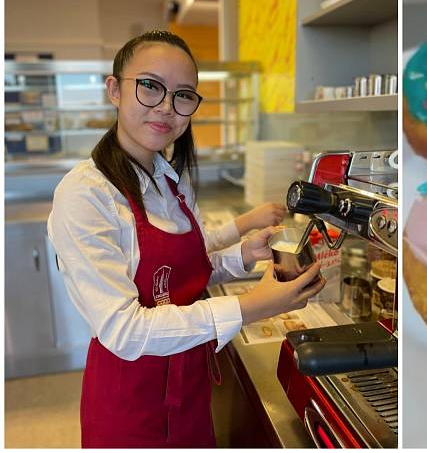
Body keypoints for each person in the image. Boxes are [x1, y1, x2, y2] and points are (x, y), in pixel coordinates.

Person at [46, 30, 325, 447]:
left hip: (189, 382)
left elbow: (177, 276)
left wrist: (243, 256)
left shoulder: (169, 179)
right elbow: (124, 329)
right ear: (114, 90)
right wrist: (253, 306)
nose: (166, 107)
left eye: (183, 95)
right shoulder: (86, 194)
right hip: (132, 398)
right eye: (150, 87)